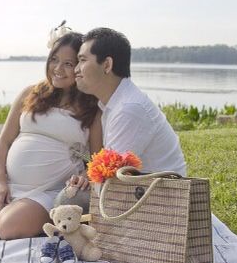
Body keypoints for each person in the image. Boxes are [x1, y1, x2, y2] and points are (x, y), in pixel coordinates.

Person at [0, 31, 102, 242]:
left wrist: (86, 177)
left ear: (80, 66)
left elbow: (97, 157)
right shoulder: (31, 93)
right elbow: (4, 141)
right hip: (7, 184)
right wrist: (0, 181)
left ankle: (40, 216)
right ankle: (7, 208)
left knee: (9, 229)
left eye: (68, 63)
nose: (57, 69)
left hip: (48, 189)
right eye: (54, 60)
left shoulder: (92, 106)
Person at [69, 27, 187, 190]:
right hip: (145, 195)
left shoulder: (129, 109)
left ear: (107, 65)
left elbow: (109, 184)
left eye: (82, 60)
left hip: (160, 202)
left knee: (70, 197)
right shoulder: (116, 103)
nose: (76, 69)